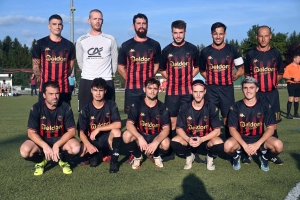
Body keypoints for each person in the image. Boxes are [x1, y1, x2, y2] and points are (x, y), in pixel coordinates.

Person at [19, 81, 80, 175]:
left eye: (57, 93)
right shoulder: (36, 108)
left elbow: (72, 131)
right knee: (25, 151)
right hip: (42, 140)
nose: (54, 97)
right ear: (44, 95)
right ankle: (41, 161)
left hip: (60, 140)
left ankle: (63, 161)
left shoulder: (65, 107)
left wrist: (57, 145)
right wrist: (44, 145)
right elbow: (31, 133)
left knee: (76, 148)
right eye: (51, 94)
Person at [160, 20, 200, 162]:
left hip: (188, 90)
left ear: (185, 32)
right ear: (172, 33)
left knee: (190, 120)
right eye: (175, 33)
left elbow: (197, 67)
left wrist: (189, 77)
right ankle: (170, 151)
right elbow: (162, 69)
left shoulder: (192, 49)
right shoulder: (166, 50)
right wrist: (171, 78)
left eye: (180, 33)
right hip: (171, 92)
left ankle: (193, 151)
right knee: (171, 122)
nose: (178, 35)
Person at [224, 77, 283, 172]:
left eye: (251, 87)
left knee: (278, 145)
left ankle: (265, 157)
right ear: (242, 89)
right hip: (241, 139)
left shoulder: (265, 105)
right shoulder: (235, 106)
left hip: (259, 139)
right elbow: (232, 129)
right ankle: (236, 156)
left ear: (257, 89)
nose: (248, 91)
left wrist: (257, 144)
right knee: (227, 146)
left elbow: (271, 128)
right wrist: (244, 145)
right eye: (245, 88)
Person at [244, 25, 284, 165]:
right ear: (256, 37)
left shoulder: (276, 54)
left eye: (266, 35)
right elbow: (247, 74)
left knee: (273, 124)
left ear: (270, 36)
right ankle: (249, 152)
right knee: (253, 122)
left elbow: (280, 73)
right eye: (261, 35)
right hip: (257, 95)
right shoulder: (250, 55)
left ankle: (271, 153)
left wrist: (271, 83)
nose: (263, 38)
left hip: (272, 94)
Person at [199, 22, 244, 140]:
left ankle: (229, 144)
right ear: (211, 35)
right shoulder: (205, 51)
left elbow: (241, 69)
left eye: (220, 34)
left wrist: (232, 78)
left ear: (225, 34)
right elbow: (202, 70)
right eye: (215, 34)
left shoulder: (233, 50)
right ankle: (210, 146)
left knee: (228, 117)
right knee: (210, 117)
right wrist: (209, 78)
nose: (218, 36)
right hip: (211, 90)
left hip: (227, 89)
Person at [171, 80, 224, 170]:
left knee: (220, 144)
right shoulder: (184, 107)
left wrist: (202, 139)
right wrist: (188, 139)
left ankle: (210, 157)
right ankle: (189, 156)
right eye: (195, 92)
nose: (198, 95)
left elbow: (217, 131)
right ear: (191, 92)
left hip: (205, 138)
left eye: (200, 92)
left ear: (205, 91)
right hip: (190, 139)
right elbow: (178, 128)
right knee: (174, 142)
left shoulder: (211, 107)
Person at [118, 13, 161, 114]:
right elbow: (120, 67)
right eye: (138, 23)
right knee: (132, 117)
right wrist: (130, 79)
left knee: (151, 116)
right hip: (131, 88)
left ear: (147, 25)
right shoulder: (126, 45)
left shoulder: (155, 44)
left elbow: (157, 64)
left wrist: (149, 78)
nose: (141, 26)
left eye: (144, 23)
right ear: (133, 26)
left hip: (149, 88)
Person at [123, 78, 170, 169]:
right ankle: (138, 156)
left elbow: (166, 129)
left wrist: (156, 142)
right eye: (149, 88)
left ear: (158, 90)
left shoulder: (162, 107)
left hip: (155, 135)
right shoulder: (137, 104)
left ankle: (156, 155)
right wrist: (140, 138)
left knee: (166, 143)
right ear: (144, 89)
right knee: (126, 135)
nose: (152, 91)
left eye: (155, 88)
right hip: (141, 134)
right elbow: (129, 124)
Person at [76, 9, 118, 111]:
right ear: (89, 20)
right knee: (85, 112)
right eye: (95, 19)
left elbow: (114, 61)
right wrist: (89, 72)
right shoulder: (81, 40)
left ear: (102, 21)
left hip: (106, 80)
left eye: (100, 19)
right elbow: (80, 62)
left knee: (109, 113)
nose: (97, 21)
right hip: (87, 80)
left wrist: (108, 75)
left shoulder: (110, 39)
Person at [78, 78, 122, 173]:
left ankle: (114, 162)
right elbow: (81, 132)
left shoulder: (111, 105)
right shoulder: (86, 109)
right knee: (80, 151)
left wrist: (99, 128)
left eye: (101, 90)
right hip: (93, 140)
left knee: (117, 131)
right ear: (91, 91)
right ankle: (95, 154)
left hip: (107, 139)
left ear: (105, 91)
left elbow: (118, 124)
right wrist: (88, 145)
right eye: (95, 90)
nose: (98, 93)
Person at [32, 14, 75, 105]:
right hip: (46, 89)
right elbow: (36, 66)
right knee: (45, 118)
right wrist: (42, 79)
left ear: (62, 26)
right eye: (54, 24)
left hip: (64, 89)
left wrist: (61, 77)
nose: (57, 26)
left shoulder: (69, 45)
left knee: (65, 118)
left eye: (59, 24)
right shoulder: (40, 44)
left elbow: (70, 68)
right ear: (49, 26)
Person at [283, 47, 300, 119]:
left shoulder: (299, 67)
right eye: (298, 58)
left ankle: (296, 113)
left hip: (298, 84)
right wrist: (293, 79)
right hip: (291, 84)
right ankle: (288, 114)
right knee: (291, 98)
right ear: (294, 59)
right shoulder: (289, 67)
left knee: (297, 98)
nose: (299, 60)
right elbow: (285, 76)